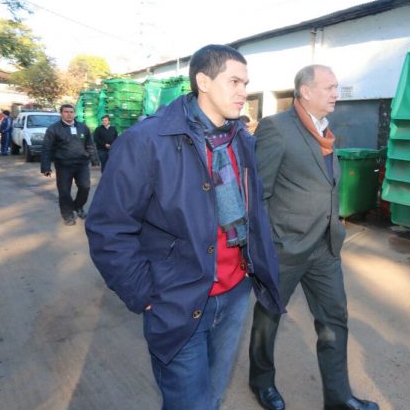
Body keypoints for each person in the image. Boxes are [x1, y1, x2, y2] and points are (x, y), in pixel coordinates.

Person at [85, 44, 283, 410]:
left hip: (235, 293)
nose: (244, 91)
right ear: (203, 81)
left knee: (212, 397)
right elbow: (108, 227)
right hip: (178, 299)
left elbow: (255, 210)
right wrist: (145, 294)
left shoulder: (242, 141)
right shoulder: (147, 140)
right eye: (234, 81)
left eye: (246, 83)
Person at [248, 65, 379, 410]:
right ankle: (261, 381)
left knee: (334, 319)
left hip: (325, 246)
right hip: (285, 248)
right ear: (305, 91)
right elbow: (258, 194)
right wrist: (268, 245)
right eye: (329, 87)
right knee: (269, 317)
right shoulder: (277, 128)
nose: (336, 93)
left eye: (336, 87)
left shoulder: (325, 132)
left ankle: (338, 398)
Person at [40, 104, 99, 226]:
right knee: (64, 191)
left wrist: (95, 160)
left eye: (71, 112)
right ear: (61, 113)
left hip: (81, 164)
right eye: (66, 112)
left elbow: (90, 144)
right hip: (63, 165)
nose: (69, 114)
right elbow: (46, 148)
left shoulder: (83, 127)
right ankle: (67, 214)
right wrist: (46, 167)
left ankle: (78, 206)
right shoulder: (53, 129)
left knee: (85, 187)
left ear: (75, 113)